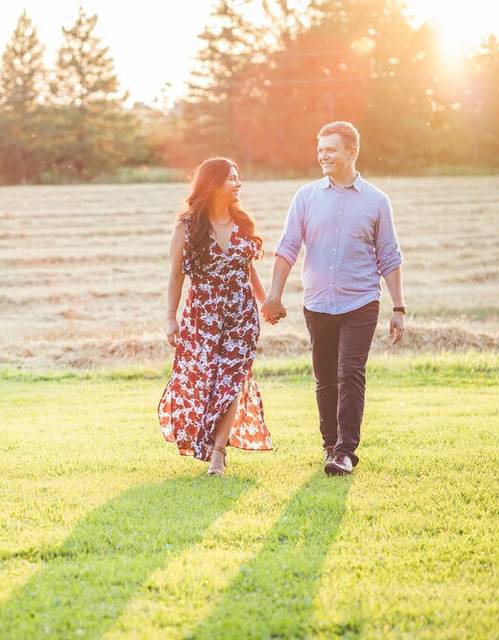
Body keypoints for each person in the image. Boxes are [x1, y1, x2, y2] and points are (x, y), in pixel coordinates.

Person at [261, 121, 405, 476]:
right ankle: (330, 445)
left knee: (351, 373)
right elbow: (288, 247)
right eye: (320, 148)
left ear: (351, 152)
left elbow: (389, 255)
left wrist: (398, 307)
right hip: (318, 303)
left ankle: (345, 451)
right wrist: (274, 295)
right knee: (325, 378)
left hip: (361, 302)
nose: (322, 155)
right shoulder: (306, 197)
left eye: (331, 149)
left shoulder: (376, 201)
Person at [158, 158, 272, 476]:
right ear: (213, 184)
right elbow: (176, 276)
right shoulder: (187, 227)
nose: (238, 184)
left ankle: (218, 454)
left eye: (238, 177)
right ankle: (206, 442)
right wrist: (171, 318)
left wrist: (267, 303)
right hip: (202, 319)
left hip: (241, 317)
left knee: (231, 383)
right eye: (232, 179)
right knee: (204, 384)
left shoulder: (243, 225)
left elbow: (248, 270)